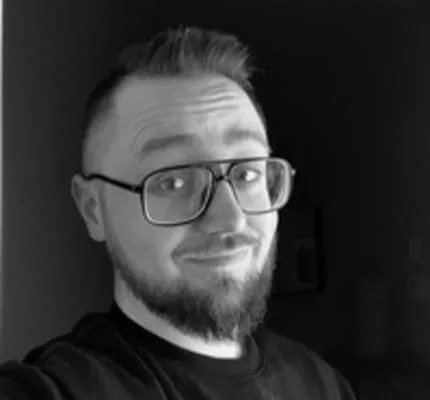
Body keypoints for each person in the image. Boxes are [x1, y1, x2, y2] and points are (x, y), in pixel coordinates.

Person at [0, 26, 356, 399]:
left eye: (248, 174)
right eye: (173, 182)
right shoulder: (58, 389)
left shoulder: (324, 385)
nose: (230, 219)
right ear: (93, 210)